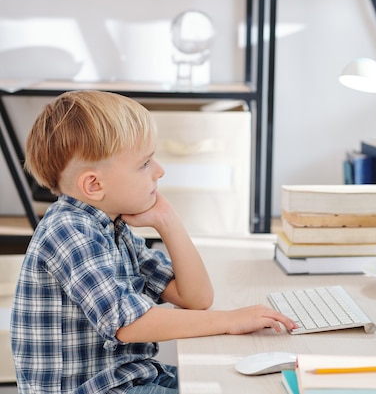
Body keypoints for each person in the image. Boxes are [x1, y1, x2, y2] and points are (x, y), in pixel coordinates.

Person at [10, 90, 296, 394]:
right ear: (94, 185)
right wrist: (230, 320)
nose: (160, 171)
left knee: (242, 384)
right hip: (97, 390)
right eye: (144, 163)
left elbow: (196, 298)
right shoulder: (69, 231)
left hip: (130, 379)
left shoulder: (112, 227)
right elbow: (128, 324)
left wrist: (168, 221)